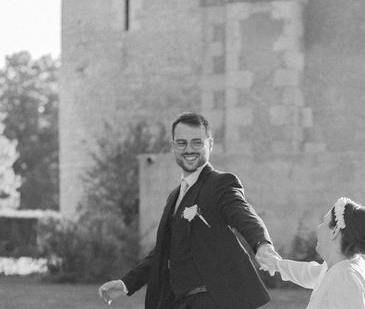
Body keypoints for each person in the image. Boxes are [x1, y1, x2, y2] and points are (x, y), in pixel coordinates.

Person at [98, 112, 279, 309]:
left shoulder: (221, 183)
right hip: (177, 302)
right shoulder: (174, 196)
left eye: (197, 143)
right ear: (173, 146)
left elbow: (243, 214)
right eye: (182, 143)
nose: (189, 149)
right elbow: (163, 251)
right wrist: (126, 284)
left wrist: (262, 244)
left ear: (210, 144)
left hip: (214, 301)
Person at [258, 197, 365, 309]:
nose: (318, 227)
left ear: (335, 231)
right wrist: (277, 264)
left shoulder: (346, 278)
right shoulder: (339, 267)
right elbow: (309, 273)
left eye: (324, 222)